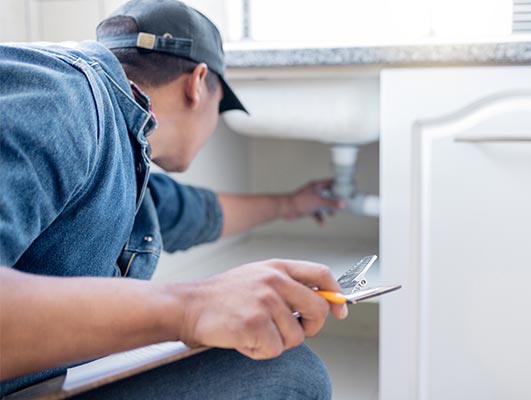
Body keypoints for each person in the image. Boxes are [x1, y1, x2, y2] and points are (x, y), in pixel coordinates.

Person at [0, 0, 348, 398]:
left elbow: (200, 213)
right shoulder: (66, 98)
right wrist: (192, 307)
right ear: (198, 82)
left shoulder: (121, 159)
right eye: (221, 107)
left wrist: (292, 204)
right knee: (291, 375)